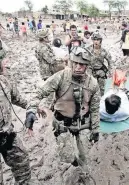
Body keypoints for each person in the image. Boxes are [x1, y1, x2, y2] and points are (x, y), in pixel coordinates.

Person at [25, 50, 100, 181]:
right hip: (62, 125)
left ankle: (83, 175)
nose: (77, 67)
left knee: (85, 158)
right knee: (67, 157)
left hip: (83, 125)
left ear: (87, 66)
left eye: (81, 65)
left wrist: (96, 129)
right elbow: (39, 93)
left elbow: (95, 109)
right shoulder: (61, 77)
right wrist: (31, 110)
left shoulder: (93, 84)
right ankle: (72, 167)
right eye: (75, 63)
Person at [0, 41, 37, 185]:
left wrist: (32, 108)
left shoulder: (4, 82)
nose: (6, 62)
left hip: (7, 136)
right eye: (2, 59)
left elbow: (20, 99)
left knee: (22, 163)